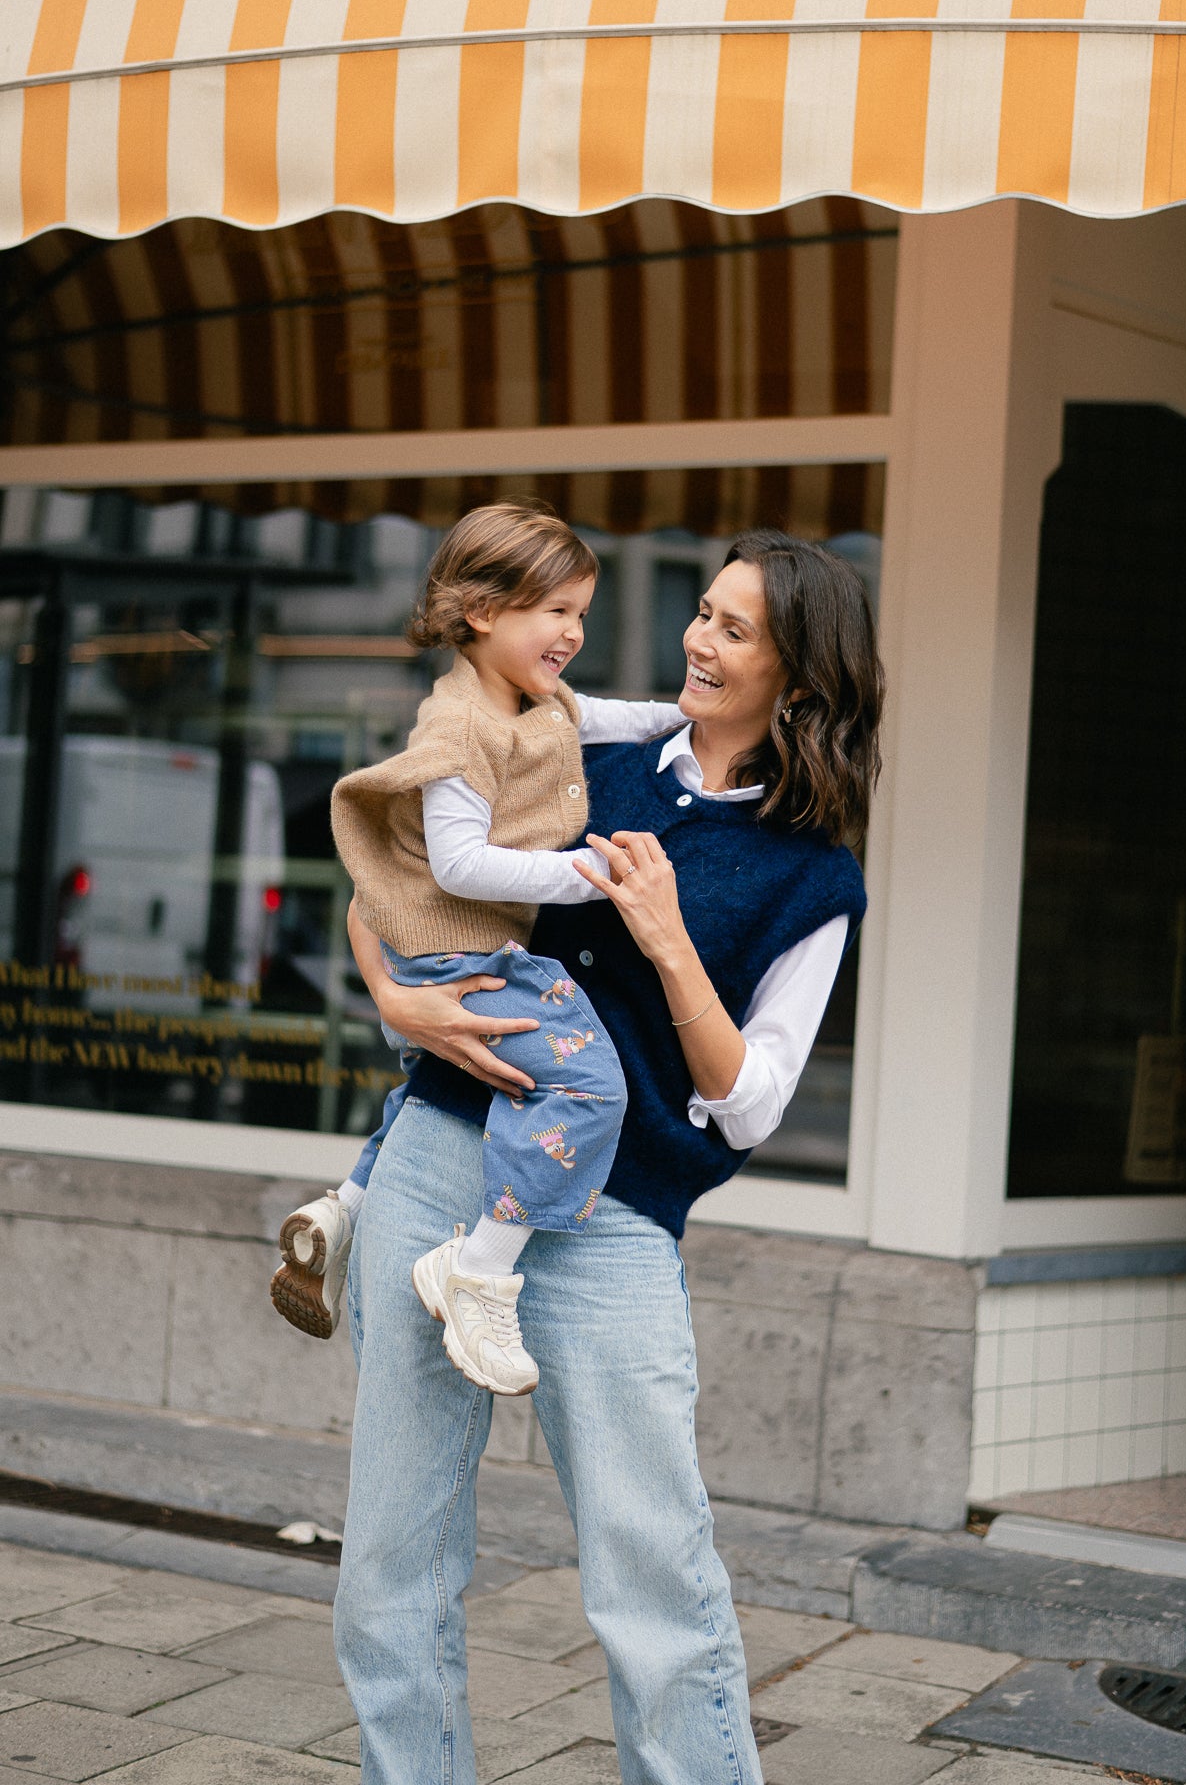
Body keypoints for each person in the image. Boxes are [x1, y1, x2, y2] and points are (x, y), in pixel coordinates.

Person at [335, 528, 884, 1785]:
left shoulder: (814, 877)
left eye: (733, 628)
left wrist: (667, 935)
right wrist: (400, 1004)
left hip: (618, 1214)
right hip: (438, 1160)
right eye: (701, 611)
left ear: (798, 676)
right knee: (390, 1561)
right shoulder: (589, 742)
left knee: (653, 1571)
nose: (696, 638)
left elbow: (746, 1107)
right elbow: (392, 884)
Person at [268, 501, 682, 1394]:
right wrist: (585, 876)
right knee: (583, 1083)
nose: (573, 631)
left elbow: (596, 717)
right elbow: (458, 864)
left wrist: (676, 719)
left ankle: (345, 1212)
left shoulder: (531, 698)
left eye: (580, 611)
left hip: (450, 955)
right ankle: (481, 1271)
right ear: (483, 611)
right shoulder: (457, 731)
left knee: (441, 1077)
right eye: (555, 611)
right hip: (457, 953)